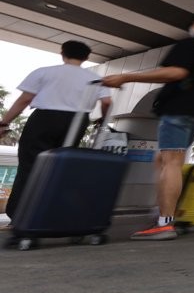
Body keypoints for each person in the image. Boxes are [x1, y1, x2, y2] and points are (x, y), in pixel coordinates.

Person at [102, 11, 194, 240]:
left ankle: (165, 222)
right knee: (164, 160)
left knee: (171, 162)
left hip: (179, 110)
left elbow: (176, 72)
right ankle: (162, 209)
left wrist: (127, 77)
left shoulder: (191, 44)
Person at [0, 41, 112, 223]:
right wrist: (103, 120)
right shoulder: (95, 78)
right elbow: (107, 102)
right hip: (77, 122)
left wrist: (4, 122)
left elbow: (25, 99)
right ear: (86, 57)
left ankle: (20, 217)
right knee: (60, 166)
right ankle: (49, 215)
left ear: (63, 53)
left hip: (44, 119)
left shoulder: (44, 72)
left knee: (29, 166)